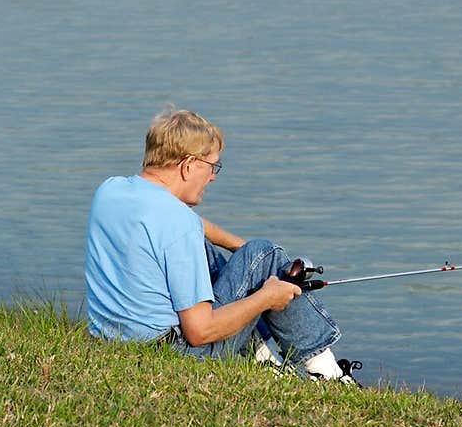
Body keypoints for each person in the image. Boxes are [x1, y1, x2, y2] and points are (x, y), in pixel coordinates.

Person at [84, 105, 362, 384]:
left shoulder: (110, 190)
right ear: (189, 165)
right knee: (263, 252)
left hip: (115, 341)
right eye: (212, 166)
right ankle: (328, 375)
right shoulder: (179, 225)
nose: (213, 176)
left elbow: (188, 224)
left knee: (251, 254)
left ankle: (263, 357)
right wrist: (265, 296)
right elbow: (199, 332)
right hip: (174, 354)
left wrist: (246, 256)